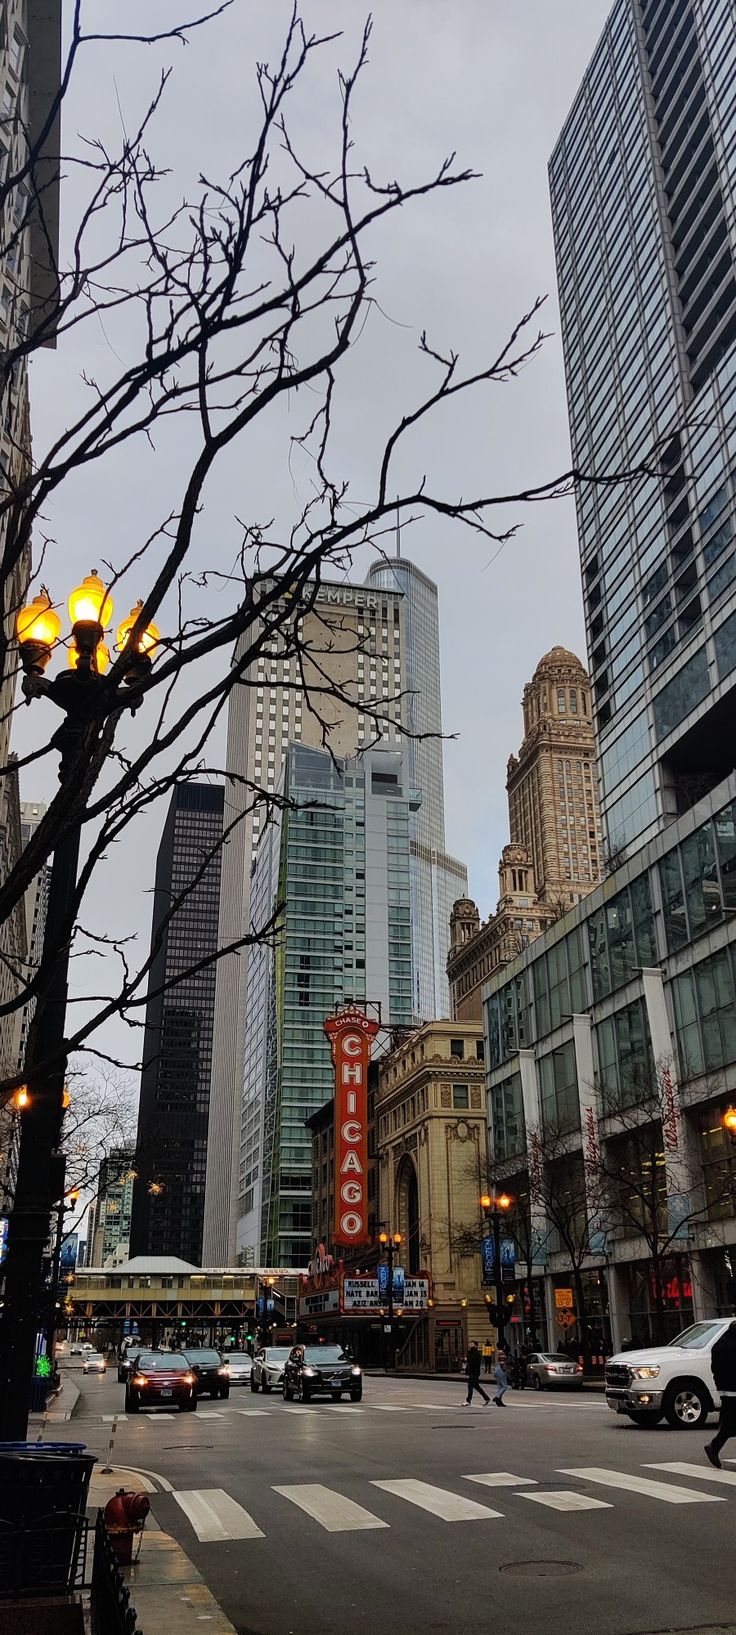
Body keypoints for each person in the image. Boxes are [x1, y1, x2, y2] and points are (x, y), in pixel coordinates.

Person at [705, 1319, 736, 1469]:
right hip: (734, 1390)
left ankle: (714, 1447)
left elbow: (714, 1368)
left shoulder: (719, 1345)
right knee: (729, 1424)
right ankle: (714, 1446)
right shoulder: (733, 1345)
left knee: (730, 1422)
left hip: (725, 1390)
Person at [464, 1341, 491, 1406]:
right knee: (476, 1386)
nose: (470, 1345)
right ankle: (486, 1398)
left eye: (472, 1344)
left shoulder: (475, 1353)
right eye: (470, 1344)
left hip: (474, 1372)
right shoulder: (471, 1352)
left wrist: (467, 1359)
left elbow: (473, 1361)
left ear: (475, 1345)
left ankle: (468, 1401)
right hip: (473, 1371)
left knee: (470, 1385)